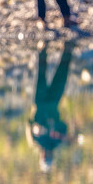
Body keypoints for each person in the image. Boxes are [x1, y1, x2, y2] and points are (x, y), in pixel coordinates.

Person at [30, 41, 73, 170]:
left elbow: (32, 126)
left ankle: (42, 48)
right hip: (54, 103)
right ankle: (67, 49)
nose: (46, 155)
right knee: (62, 74)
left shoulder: (37, 141)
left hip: (41, 102)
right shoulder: (57, 141)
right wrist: (56, 129)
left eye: (45, 158)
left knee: (41, 73)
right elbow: (64, 126)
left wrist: (42, 129)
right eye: (48, 158)